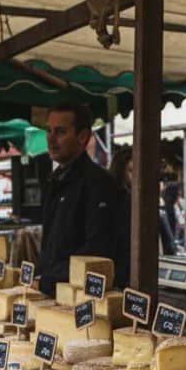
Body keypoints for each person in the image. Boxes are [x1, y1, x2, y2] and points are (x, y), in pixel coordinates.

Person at [37, 101, 129, 292]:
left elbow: (97, 250)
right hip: (55, 294)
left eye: (61, 132)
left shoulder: (100, 184)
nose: (51, 139)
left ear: (83, 137)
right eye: (49, 130)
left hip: (81, 296)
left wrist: (48, 279)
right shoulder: (55, 181)